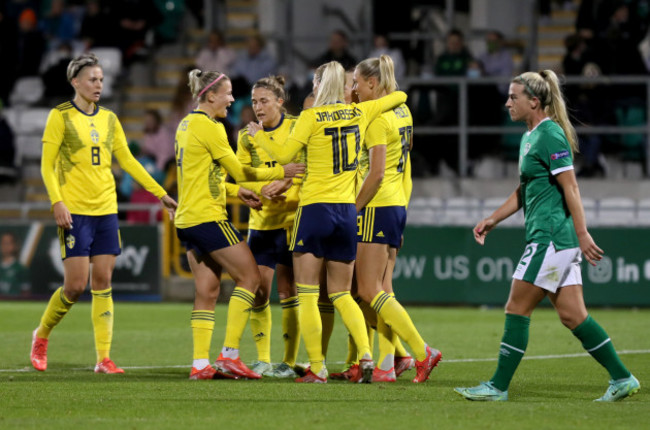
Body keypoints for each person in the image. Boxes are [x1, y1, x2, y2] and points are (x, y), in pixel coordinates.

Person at [455, 70, 640, 402]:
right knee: (573, 316)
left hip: (551, 238)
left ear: (534, 101)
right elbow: (525, 189)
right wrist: (493, 219)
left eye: (514, 97)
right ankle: (622, 377)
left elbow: (571, 186)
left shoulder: (550, 135)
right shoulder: (530, 136)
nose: (507, 102)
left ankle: (497, 386)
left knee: (516, 307)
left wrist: (582, 233)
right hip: (556, 240)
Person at [248, 60, 408, 383]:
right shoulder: (359, 113)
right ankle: (366, 354)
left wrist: (258, 138)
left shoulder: (310, 117)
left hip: (315, 210)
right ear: (345, 85)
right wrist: (390, 93)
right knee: (343, 294)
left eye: (315, 82)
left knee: (308, 293)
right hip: (348, 213)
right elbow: (400, 97)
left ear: (321, 85)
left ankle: (317, 366)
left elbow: (284, 156)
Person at [30, 52, 177, 374]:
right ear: (75, 82)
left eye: (101, 79)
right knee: (75, 286)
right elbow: (46, 165)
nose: (98, 85)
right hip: (75, 211)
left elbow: (128, 161)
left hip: (106, 210)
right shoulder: (61, 116)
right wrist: (57, 202)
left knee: (103, 281)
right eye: (92, 79)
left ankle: (103, 357)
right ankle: (41, 335)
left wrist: (161, 194)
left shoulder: (109, 118)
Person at [173, 68, 305, 380]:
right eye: (229, 93)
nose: (234, 99)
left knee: (207, 290)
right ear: (210, 96)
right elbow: (240, 171)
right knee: (250, 278)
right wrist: (281, 171)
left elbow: (211, 178)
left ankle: (200, 364)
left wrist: (237, 192)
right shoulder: (212, 127)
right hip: (207, 217)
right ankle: (230, 353)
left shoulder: (185, 124)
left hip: (187, 219)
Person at [335, 55, 442, 384]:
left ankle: (421, 352)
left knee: (367, 290)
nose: (353, 89)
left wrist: (353, 209)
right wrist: (403, 212)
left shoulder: (378, 118)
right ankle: (393, 358)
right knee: (377, 290)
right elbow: (403, 168)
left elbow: (377, 172)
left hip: (375, 207)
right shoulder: (403, 111)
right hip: (395, 205)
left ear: (372, 83)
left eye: (356, 82)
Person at [235, 75, 305, 378]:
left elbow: (308, 168)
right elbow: (240, 174)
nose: (258, 107)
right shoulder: (246, 136)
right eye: (254, 101)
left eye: (264, 100)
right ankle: (263, 359)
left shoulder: (298, 127)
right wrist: (268, 181)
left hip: (292, 220)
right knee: (260, 291)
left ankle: (288, 362)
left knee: (289, 291)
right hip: (261, 222)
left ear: (280, 100)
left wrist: (288, 181)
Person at [0, 232, 30, 296]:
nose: (5, 246)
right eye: (3, 243)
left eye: (8, 243)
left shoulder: (21, 269)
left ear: (15, 245)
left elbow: (26, 292)